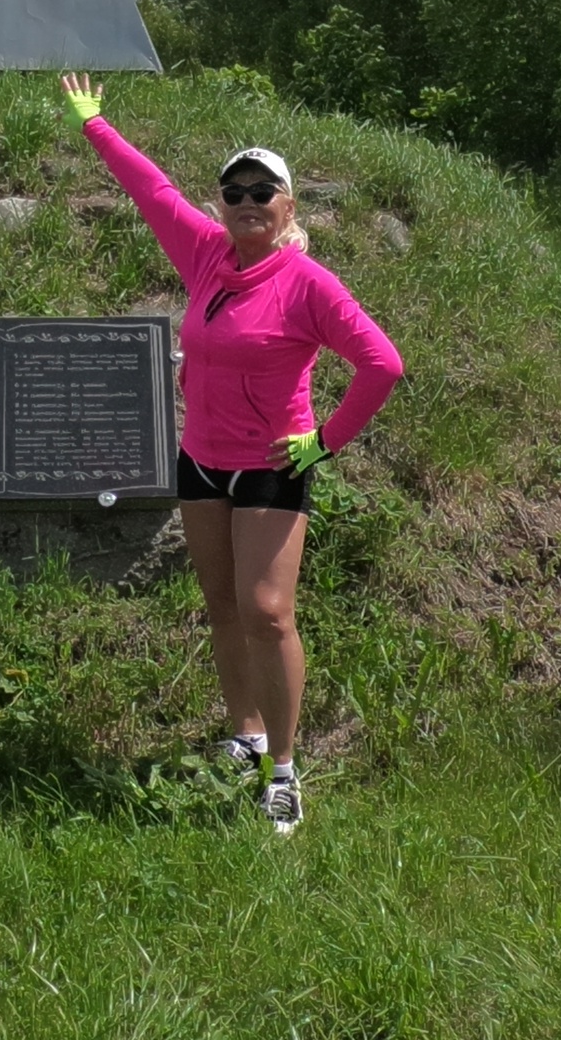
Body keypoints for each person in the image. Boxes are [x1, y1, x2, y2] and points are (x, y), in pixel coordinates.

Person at [59, 72, 404, 834]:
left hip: (271, 466)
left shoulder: (309, 283)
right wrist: (96, 125)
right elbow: (150, 192)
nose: (247, 202)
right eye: (234, 191)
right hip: (202, 459)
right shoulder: (207, 256)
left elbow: (383, 364)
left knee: (268, 613)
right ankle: (244, 737)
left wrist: (325, 442)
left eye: (263, 191)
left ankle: (284, 770)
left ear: (288, 206)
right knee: (221, 607)